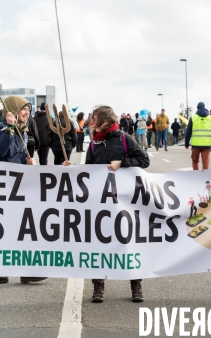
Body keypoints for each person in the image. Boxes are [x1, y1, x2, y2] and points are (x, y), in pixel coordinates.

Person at [85, 105, 149, 302]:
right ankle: (98, 286)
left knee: (128, 242)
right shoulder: (94, 143)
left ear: (105, 121)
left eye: (95, 119)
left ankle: (135, 284)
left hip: (124, 203)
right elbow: (87, 169)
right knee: (98, 244)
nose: (92, 123)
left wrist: (122, 164)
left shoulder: (124, 139)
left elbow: (144, 160)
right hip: (101, 203)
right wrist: (73, 170)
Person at [0, 95, 47, 285]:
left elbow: (16, 159)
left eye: (28, 109)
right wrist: (9, 129)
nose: (26, 113)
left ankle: (17, 271)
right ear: (11, 109)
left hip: (16, 187)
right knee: (2, 229)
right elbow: (1, 152)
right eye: (22, 109)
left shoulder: (23, 132)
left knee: (19, 228)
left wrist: (28, 163)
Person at [185, 102, 211, 170]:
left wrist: (186, 143)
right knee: (205, 163)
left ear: (197, 108)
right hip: (206, 144)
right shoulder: (210, 118)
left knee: (195, 161)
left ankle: (196, 177)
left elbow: (188, 132)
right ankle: (204, 178)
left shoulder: (193, 117)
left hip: (195, 145)